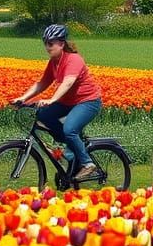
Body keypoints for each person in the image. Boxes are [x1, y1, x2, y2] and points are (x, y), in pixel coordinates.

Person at [13, 24, 103, 184]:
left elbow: (68, 82)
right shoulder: (54, 62)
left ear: (61, 44)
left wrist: (52, 99)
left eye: (51, 43)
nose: (47, 47)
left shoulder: (74, 59)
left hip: (87, 101)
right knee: (42, 115)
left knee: (69, 129)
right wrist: (23, 98)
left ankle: (88, 164)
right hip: (67, 102)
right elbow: (42, 83)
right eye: (46, 43)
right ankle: (70, 152)